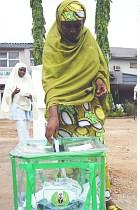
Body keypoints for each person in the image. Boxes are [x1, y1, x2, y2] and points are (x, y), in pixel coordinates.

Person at [42, 0, 122, 209]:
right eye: (67, 25)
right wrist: (52, 115)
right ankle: (76, 200)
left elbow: (98, 67)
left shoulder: (87, 37)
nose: (73, 30)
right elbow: (50, 81)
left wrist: (99, 81)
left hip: (89, 108)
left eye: (78, 24)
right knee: (69, 161)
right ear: (59, 22)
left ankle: (104, 199)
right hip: (63, 111)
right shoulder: (52, 44)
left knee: (96, 154)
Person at [0, 62, 37, 143]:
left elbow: (34, 93)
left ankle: (26, 143)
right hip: (17, 106)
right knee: (21, 125)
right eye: (21, 70)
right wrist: (14, 93)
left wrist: (30, 96)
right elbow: (6, 96)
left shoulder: (28, 80)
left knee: (26, 126)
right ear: (17, 70)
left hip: (27, 106)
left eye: (24, 70)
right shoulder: (11, 81)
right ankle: (23, 144)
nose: (23, 72)